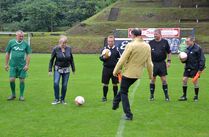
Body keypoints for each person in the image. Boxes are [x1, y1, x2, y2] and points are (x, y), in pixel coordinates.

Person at [112, 29, 153, 120]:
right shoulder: (147, 46)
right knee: (123, 88)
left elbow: (121, 60)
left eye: (131, 35)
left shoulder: (131, 45)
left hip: (128, 73)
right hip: (137, 74)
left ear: (134, 35)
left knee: (123, 92)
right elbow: (149, 63)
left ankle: (128, 114)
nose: (130, 37)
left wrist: (115, 71)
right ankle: (115, 103)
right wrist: (150, 75)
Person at [5, 30, 32, 101]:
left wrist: (27, 65)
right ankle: (13, 94)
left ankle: (21, 96)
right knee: (11, 80)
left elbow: (29, 54)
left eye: (22, 36)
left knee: (22, 80)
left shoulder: (25, 44)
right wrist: (6, 64)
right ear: (16, 36)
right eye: (20, 36)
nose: (21, 37)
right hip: (13, 65)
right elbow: (7, 53)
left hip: (22, 66)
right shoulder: (11, 42)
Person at [49, 35, 75, 105]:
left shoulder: (69, 49)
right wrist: (50, 70)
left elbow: (71, 59)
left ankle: (62, 99)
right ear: (59, 42)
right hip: (58, 68)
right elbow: (51, 60)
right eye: (62, 43)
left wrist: (73, 69)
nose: (63, 45)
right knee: (56, 83)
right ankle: (56, 99)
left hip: (66, 70)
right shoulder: (55, 49)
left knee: (64, 85)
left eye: (65, 43)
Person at [178, 36, 206, 102]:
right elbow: (185, 59)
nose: (186, 42)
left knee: (195, 81)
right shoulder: (187, 48)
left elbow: (202, 59)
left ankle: (196, 96)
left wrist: (200, 69)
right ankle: (184, 96)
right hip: (187, 67)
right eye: (186, 41)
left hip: (195, 68)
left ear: (192, 41)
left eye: (188, 41)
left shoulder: (198, 48)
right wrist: (182, 60)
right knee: (184, 80)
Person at [149, 29, 171, 101]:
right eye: (154, 34)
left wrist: (169, 61)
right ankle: (152, 95)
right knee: (152, 79)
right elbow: (147, 54)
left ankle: (166, 96)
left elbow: (169, 52)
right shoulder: (150, 43)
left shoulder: (165, 42)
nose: (155, 35)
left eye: (156, 34)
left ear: (160, 34)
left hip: (162, 63)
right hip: (153, 63)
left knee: (164, 80)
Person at [99, 35, 120, 102]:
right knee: (105, 83)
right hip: (106, 69)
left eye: (111, 41)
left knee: (115, 84)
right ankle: (104, 97)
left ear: (114, 42)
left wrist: (119, 68)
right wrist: (103, 58)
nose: (110, 42)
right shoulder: (104, 49)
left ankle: (115, 97)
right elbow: (100, 58)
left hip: (114, 69)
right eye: (109, 41)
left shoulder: (117, 49)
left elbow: (120, 59)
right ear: (107, 41)